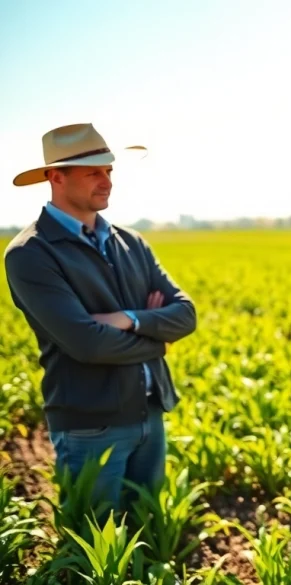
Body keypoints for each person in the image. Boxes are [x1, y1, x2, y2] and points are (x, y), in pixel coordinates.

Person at [5, 123, 196, 514]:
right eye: (93, 171)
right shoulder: (31, 253)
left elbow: (185, 313)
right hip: (90, 425)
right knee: (93, 544)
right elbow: (87, 343)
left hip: (151, 412)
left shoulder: (131, 242)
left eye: (109, 170)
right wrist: (158, 339)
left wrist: (126, 318)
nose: (107, 181)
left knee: (147, 527)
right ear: (56, 177)